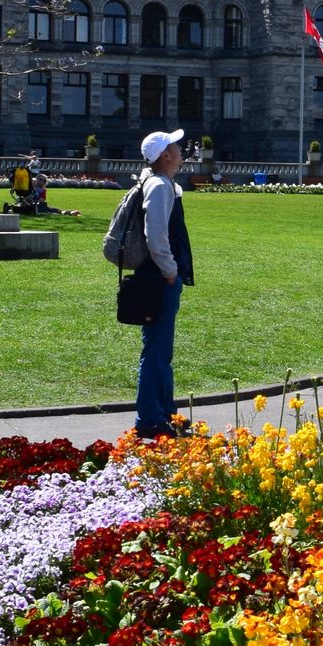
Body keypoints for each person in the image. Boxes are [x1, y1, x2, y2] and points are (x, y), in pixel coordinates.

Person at [128, 128, 194, 438]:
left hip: (157, 276)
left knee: (160, 349)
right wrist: (170, 270)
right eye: (175, 145)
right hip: (158, 277)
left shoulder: (160, 183)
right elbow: (155, 235)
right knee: (155, 350)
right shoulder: (158, 185)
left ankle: (166, 413)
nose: (180, 149)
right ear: (165, 155)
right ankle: (151, 419)